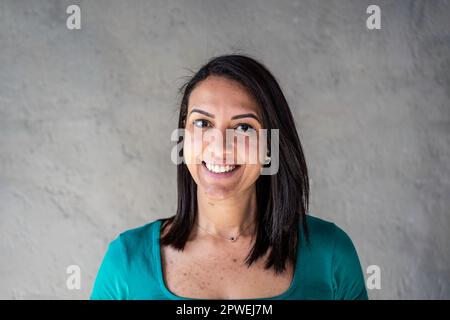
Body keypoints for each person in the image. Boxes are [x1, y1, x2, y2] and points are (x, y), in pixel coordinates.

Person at [90, 54, 368, 300]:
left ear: (270, 146)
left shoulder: (331, 254)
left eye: (244, 127)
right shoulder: (125, 261)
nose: (221, 146)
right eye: (203, 123)